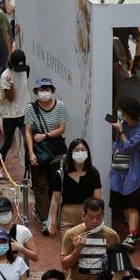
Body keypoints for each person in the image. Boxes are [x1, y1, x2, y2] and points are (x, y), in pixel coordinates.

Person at [23, 78, 67, 228]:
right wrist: (30, 152)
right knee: (40, 185)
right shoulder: (30, 108)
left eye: (47, 89)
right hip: (38, 152)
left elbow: (62, 128)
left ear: (52, 90)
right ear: (36, 91)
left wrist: (45, 136)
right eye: (41, 89)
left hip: (54, 151)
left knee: (53, 182)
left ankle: (51, 213)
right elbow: (28, 132)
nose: (44, 92)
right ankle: (44, 217)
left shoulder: (60, 106)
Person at [108, 97, 140, 250]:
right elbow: (117, 144)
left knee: (132, 205)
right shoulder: (122, 124)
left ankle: (132, 235)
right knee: (124, 204)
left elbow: (127, 147)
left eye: (122, 111)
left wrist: (121, 130)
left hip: (133, 172)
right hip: (119, 170)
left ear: (128, 113)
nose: (119, 114)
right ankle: (133, 232)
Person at [47, 139, 101, 237]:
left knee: (85, 249)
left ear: (87, 152)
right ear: (70, 153)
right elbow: (55, 199)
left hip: (87, 217)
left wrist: (96, 220)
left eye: (83, 150)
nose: (80, 152)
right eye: (76, 150)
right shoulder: (61, 174)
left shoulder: (94, 173)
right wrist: (53, 223)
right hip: (66, 217)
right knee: (66, 249)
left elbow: (97, 199)